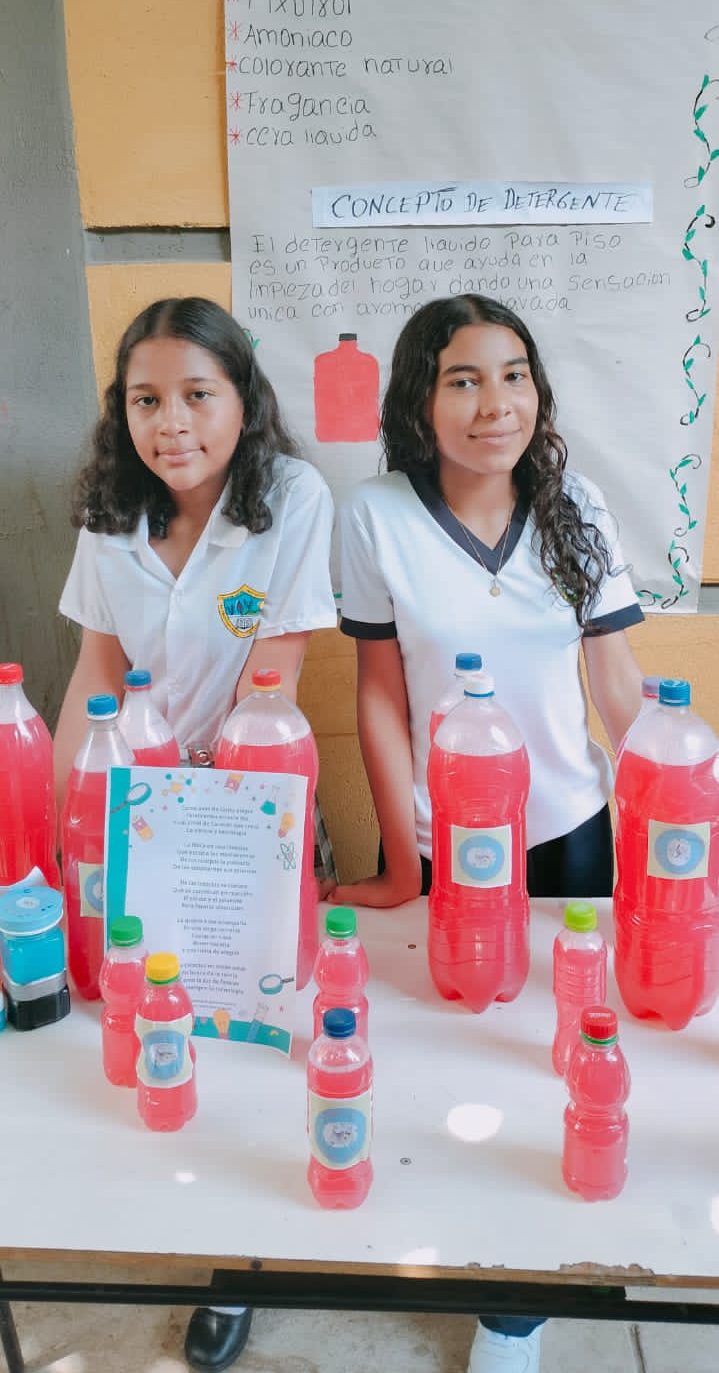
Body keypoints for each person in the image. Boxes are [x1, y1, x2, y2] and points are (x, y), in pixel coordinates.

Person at [334, 293, 644, 1373]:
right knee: (448, 1059)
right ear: (419, 400)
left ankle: (515, 1314)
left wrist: (682, 811)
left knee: (555, 1063)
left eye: (513, 376)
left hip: (570, 833)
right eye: (462, 379)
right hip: (448, 842)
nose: (494, 403)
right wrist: (397, 858)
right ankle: (458, 1243)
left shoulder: (574, 504)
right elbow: (380, 693)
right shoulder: (375, 513)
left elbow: (616, 685)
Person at [55, 295, 337, 1373]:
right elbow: (91, 679)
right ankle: (163, 1211)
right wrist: (61, 825)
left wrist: (188, 831)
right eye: (145, 400)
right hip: (128, 816)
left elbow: (274, 686)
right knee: (133, 1035)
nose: (170, 423)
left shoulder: (291, 499)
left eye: (196, 395)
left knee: (251, 1040)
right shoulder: (108, 513)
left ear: (243, 401)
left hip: (247, 815)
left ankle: (238, 1266)